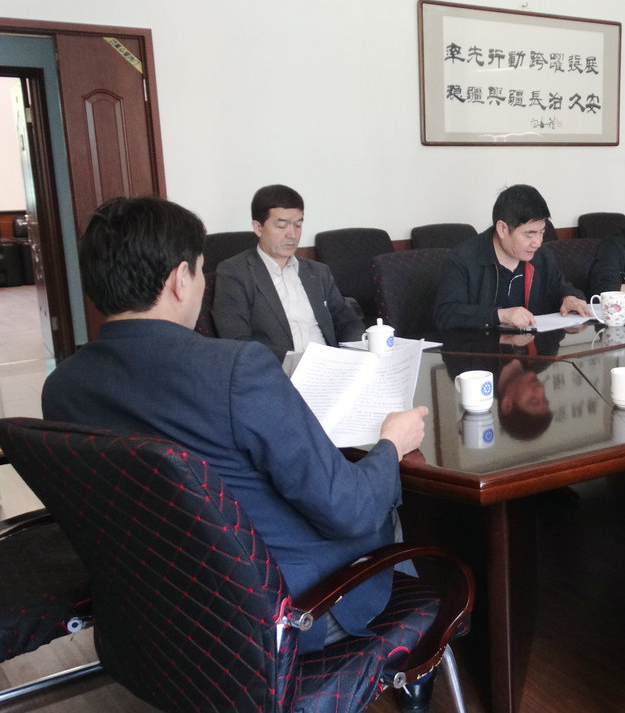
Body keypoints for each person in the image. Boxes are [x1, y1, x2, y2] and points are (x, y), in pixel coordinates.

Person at [41, 197, 429, 668]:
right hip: (281, 614)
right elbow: (349, 508)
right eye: (200, 270)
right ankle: (418, 660)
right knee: (384, 501)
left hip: (154, 612)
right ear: (179, 280)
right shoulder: (236, 370)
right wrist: (391, 444)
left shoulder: (62, 389)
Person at [212, 184, 364, 362]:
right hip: (278, 371)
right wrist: (294, 361)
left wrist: (356, 354)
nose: (292, 234)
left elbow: (348, 322)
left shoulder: (318, 272)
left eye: (298, 225)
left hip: (330, 365)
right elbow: (237, 341)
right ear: (258, 228)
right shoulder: (235, 273)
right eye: (281, 226)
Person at [433, 184, 590, 330]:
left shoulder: (541, 257)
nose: (537, 242)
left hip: (533, 348)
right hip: (481, 348)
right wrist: (499, 315)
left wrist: (569, 297)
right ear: (502, 229)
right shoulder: (463, 260)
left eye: (541, 232)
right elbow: (446, 314)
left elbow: (560, 286)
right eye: (529, 234)